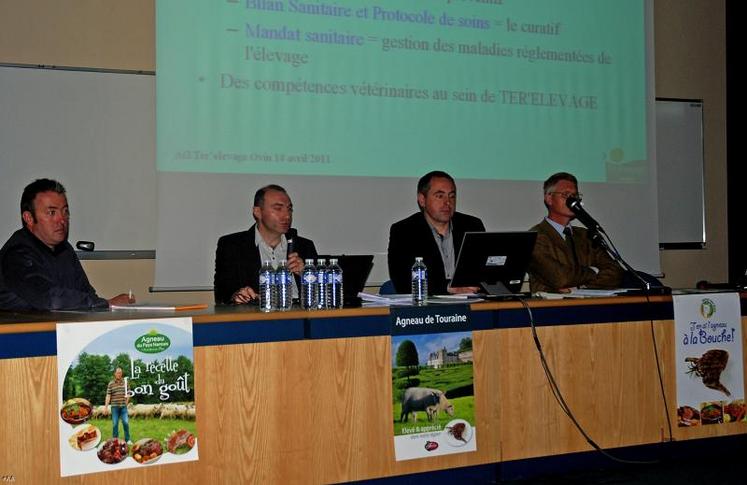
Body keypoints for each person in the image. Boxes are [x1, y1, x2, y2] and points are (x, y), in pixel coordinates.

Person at [0, 178, 133, 311]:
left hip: (61, 328)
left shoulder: (64, 250)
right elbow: (51, 300)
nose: (62, 220)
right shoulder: (16, 254)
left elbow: (87, 294)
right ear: (29, 218)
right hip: (20, 330)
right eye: (52, 213)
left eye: (65, 212)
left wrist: (103, 305)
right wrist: (106, 303)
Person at [214, 184, 318, 304]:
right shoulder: (232, 246)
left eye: (289, 209)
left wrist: (306, 274)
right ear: (257, 212)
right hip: (256, 318)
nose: (287, 215)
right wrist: (236, 296)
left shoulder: (305, 246)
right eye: (278, 209)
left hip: (301, 316)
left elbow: (323, 294)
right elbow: (222, 293)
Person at [387, 171, 485, 295]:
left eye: (452, 196)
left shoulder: (472, 225)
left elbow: (485, 273)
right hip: (428, 308)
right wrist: (448, 288)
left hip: (471, 304)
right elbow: (403, 283)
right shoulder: (404, 231)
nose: (447, 202)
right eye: (440, 196)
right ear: (422, 200)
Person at [527, 172, 624, 293]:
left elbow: (615, 272)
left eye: (575, 195)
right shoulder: (535, 237)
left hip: (592, 305)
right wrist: (594, 270)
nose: (573, 200)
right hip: (553, 308)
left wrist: (581, 287)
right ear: (549, 199)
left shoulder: (586, 235)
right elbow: (560, 278)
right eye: (566, 194)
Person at [105, 367, 131, 445]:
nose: (119, 374)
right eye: (118, 373)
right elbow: (108, 395)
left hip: (123, 407)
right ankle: (115, 440)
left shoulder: (126, 383)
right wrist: (106, 407)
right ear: (115, 374)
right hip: (114, 407)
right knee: (115, 424)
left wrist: (126, 402)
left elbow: (129, 393)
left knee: (126, 422)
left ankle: (128, 439)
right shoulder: (111, 383)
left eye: (120, 373)